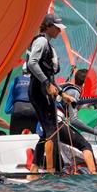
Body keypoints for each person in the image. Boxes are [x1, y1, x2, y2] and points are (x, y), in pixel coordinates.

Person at [51, 68, 97, 174]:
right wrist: (95, 132)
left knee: (63, 156)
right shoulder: (74, 92)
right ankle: (94, 176)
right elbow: (74, 120)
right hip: (57, 123)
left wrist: (90, 104)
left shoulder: (67, 87)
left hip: (47, 123)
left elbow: (71, 105)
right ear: (86, 83)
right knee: (85, 146)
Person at [27, 14, 64, 175]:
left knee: (49, 131)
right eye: (57, 28)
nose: (59, 31)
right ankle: (50, 172)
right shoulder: (41, 41)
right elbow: (32, 63)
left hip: (43, 91)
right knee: (51, 132)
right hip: (38, 91)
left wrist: (62, 93)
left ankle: (34, 169)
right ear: (48, 26)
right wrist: (47, 84)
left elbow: (49, 74)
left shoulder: (48, 44)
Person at [4, 65, 36, 135]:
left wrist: (18, 109)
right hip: (34, 112)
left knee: (14, 141)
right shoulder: (37, 81)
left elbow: (7, 110)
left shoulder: (15, 81)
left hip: (17, 111)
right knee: (39, 141)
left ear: (22, 71)